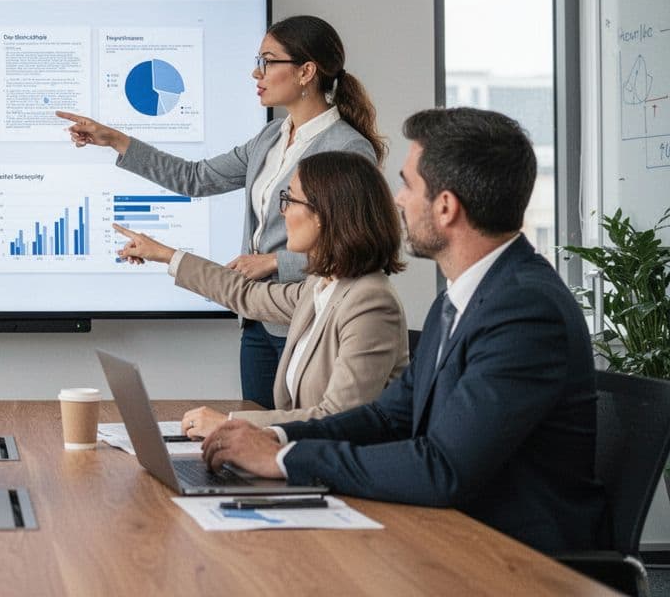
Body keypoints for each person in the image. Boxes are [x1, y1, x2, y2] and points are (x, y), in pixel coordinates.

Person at [204, 107, 606, 553]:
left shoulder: (525, 311)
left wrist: (284, 460)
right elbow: (387, 417)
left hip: (513, 557)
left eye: (408, 184)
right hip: (451, 531)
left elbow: (443, 467)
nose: (396, 199)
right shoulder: (459, 299)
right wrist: (275, 437)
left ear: (447, 207)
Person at [57, 16, 387, 408]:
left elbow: (356, 247)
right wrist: (115, 140)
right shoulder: (271, 137)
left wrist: (276, 262)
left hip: (306, 316)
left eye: (268, 61)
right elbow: (195, 178)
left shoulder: (347, 148)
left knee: (299, 439)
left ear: (306, 72)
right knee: (254, 437)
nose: (256, 72)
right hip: (256, 319)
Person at [115, 151, 408, 434]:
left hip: (342, 475)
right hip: (305, 458)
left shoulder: (370, 302)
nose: (282, 212)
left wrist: (230, 424)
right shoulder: (321, 287)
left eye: (289, 199)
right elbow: (246, 294)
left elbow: (340, 418)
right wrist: (166, 255)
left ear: (322, 214)